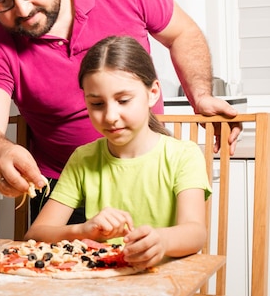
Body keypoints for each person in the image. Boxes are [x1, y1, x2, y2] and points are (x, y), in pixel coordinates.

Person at [0, 0, 238, 220]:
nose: (23, 9)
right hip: (67, 189)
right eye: (1, 1)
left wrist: (202, 95)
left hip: (150, 171)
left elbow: (181, 33)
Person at [24, 36, 211, 270]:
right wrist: (83, 230)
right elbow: (36, 233)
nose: (110, 116)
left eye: (123, 100)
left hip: (165, 283)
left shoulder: (183, 155)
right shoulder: (83, 158)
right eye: (97, 104)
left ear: (153, 92)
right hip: (100, 284)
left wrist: (161, 241)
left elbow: (195, 232)